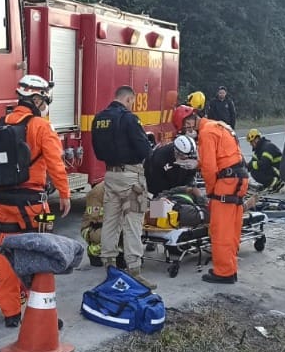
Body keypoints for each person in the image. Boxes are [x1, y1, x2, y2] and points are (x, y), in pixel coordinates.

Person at [0, 75, 71, 328]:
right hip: (35, 205)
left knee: (6, 255)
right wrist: (65, 194)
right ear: (36, 98)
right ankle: (42, 313)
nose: (45, 105)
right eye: (44, 100)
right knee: (40, 255)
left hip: (3, 203)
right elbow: (56, 162)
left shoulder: (0, 124)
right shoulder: (41, 127)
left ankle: (11, 314)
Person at [173, 104, 249, 284]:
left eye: (186, 127)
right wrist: (197, 164)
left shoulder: (206, 133)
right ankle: (230, 267)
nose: (187, 130)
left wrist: (211, 193)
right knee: (232, 228)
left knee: (220, 229)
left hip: (226, 183)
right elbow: (222, 156)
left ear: (190, 120)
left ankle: (223, 272)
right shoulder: (219, 125)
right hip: (239, 178)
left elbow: (209, 168)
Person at [91, 85, 157, 289]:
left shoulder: (99, 118)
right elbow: (145, 149)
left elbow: (98, 152)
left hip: (110, 175)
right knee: (132, 224)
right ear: (128, 99)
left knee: (110, 221)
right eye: (132, 101)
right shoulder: (129, 118)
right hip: (131, 178)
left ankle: (109, 265)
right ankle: (134, 270)